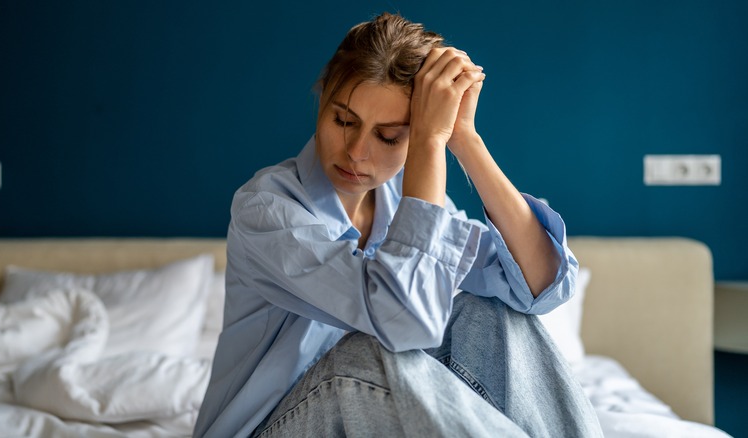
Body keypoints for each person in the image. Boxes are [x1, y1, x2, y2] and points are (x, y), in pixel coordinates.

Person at [194, 12, 602, 438]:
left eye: (388, 136)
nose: (356, 151)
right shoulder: (267, 210)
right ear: (322, 99)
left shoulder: (408, 207)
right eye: (344, 121)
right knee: (370, 354)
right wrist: (426, 144)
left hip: (365, 420)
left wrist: (462, 137)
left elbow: (538, 285)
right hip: (267, 429)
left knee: (489, 313)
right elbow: (404, 321)